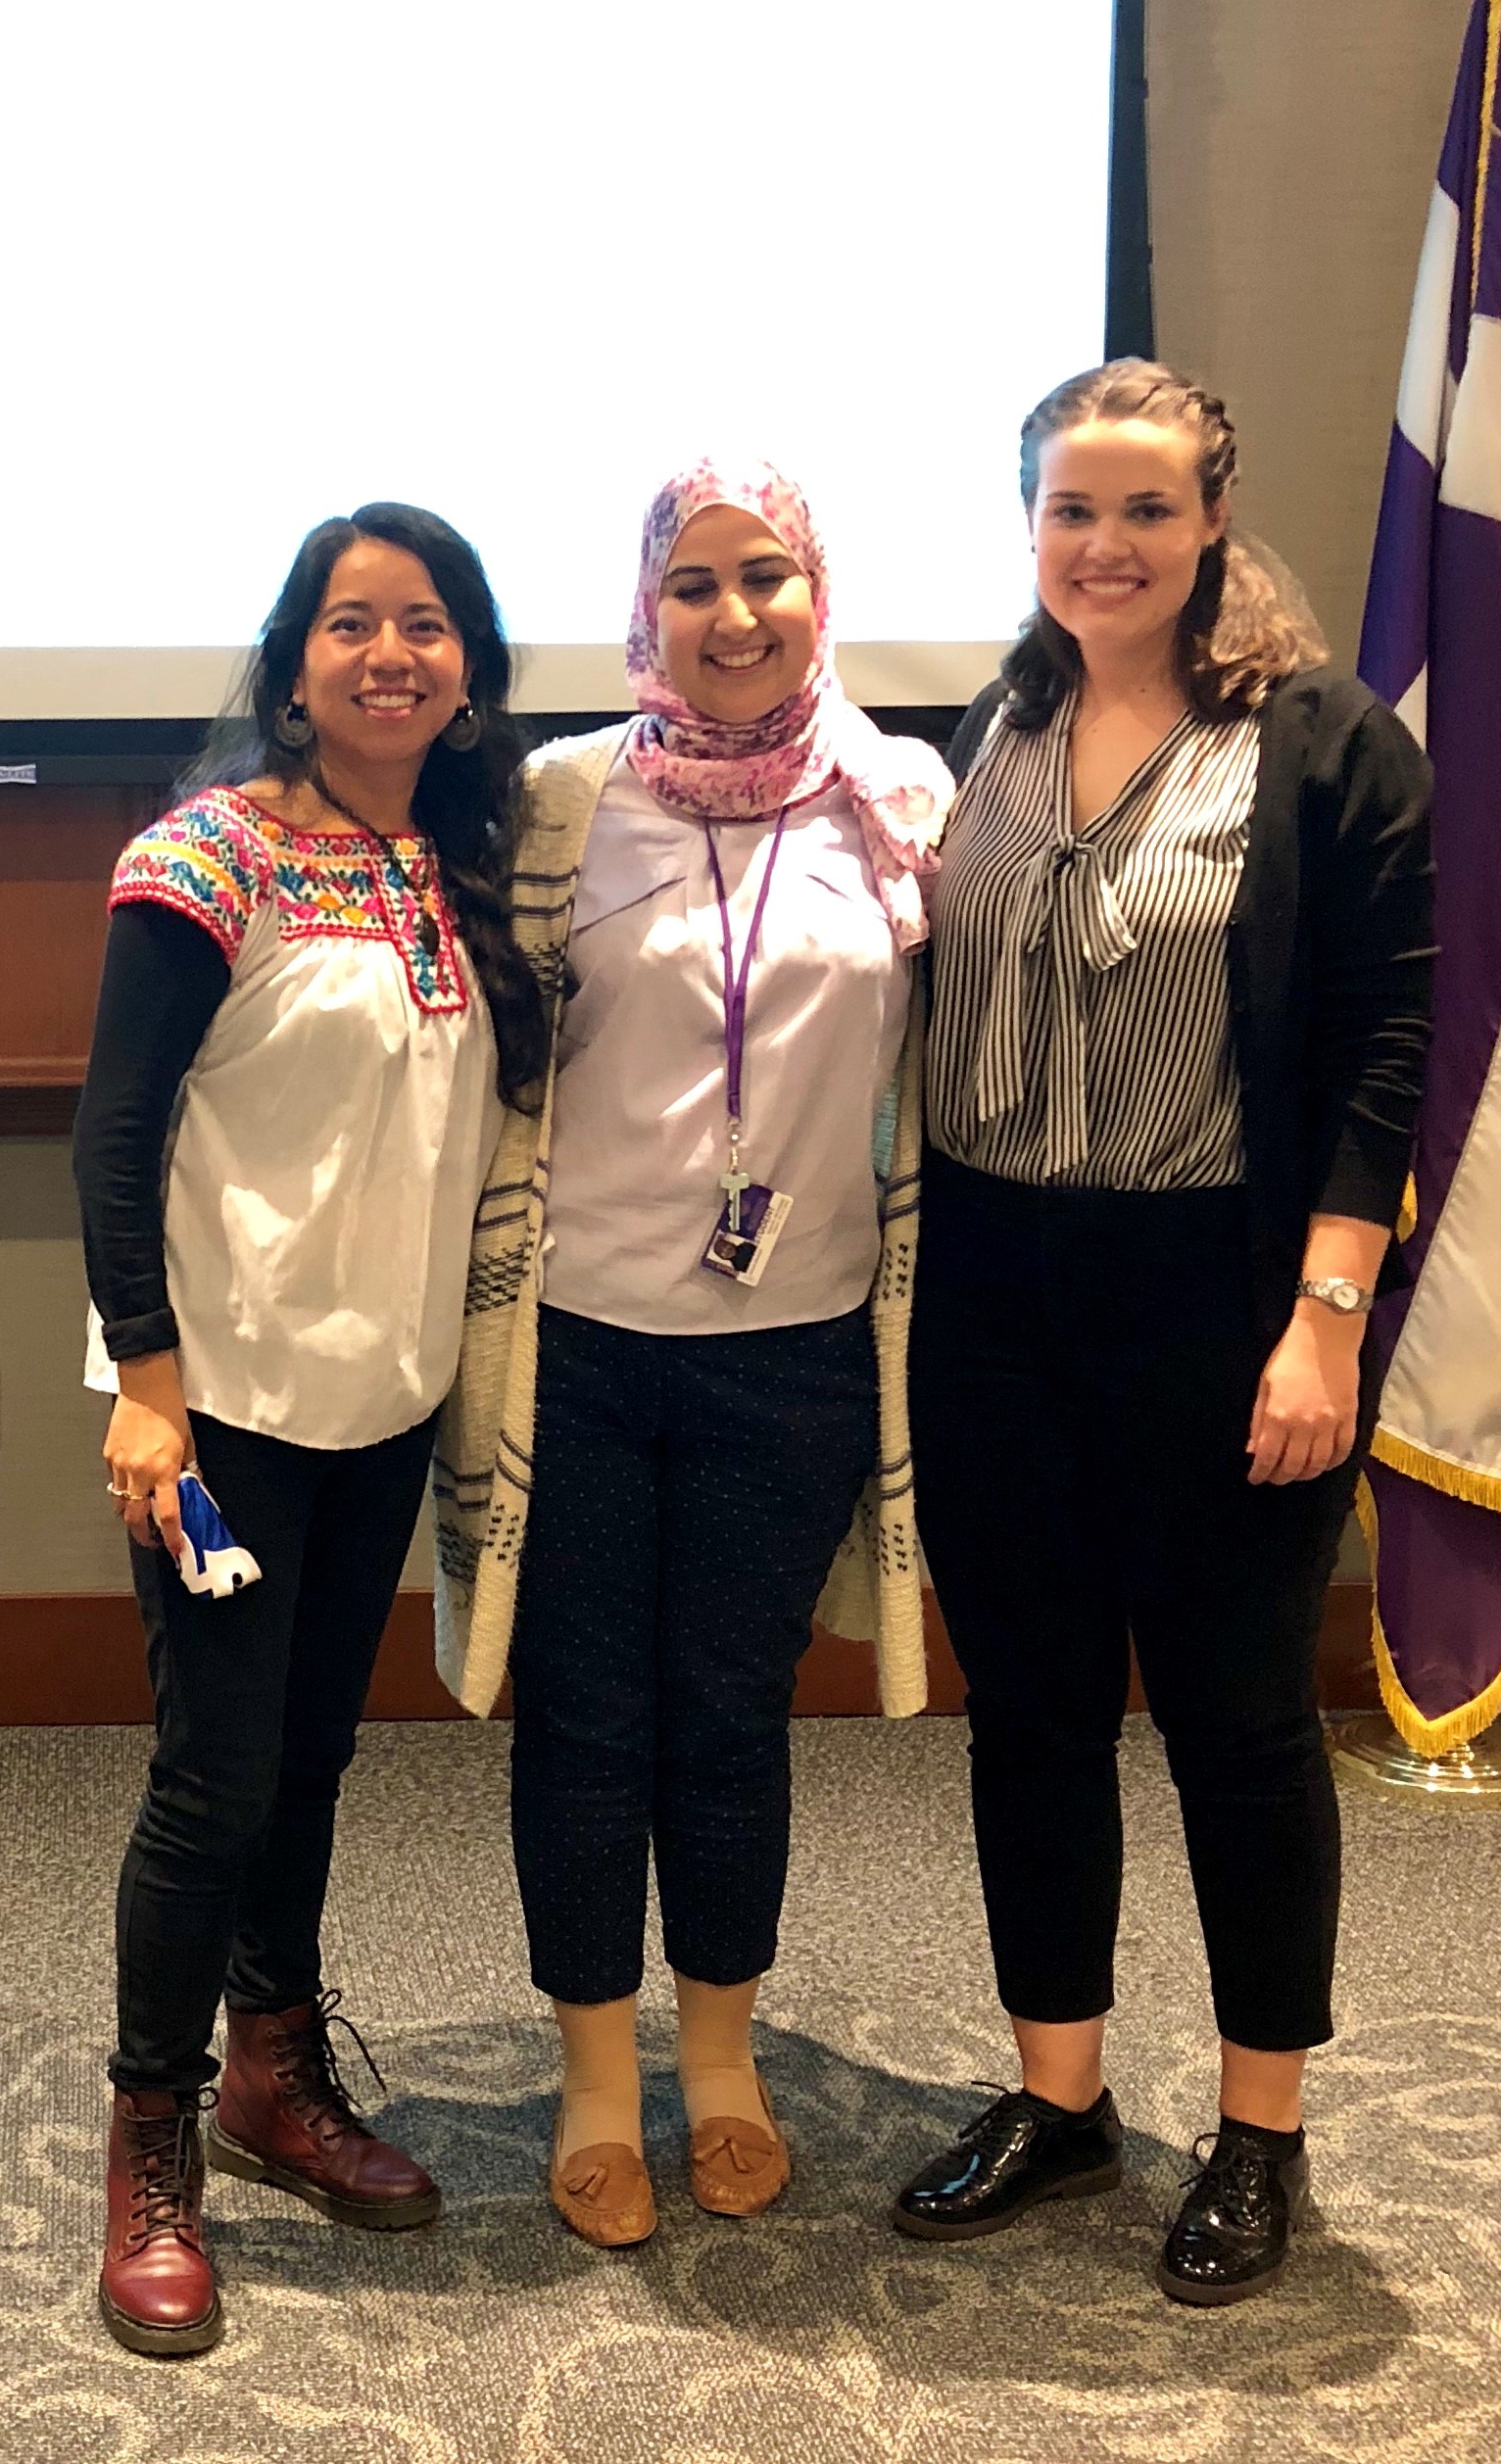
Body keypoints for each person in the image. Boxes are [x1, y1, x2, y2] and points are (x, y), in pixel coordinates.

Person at [894, 362, 1434, 2304]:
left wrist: (1324, 1324)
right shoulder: (995, 722)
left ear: (1210, 518)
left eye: (1140, 511)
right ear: (1028, 526)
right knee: (1030, 1714)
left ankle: (1260, 2131)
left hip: (1223, 1310)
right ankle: (1061, 2100)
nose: (1101, 548)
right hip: (993, 1306)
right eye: (1068, 513)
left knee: (1235, 1727)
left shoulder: (1321, 743)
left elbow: (1387, 1054)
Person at [433, 460, 954, 2246]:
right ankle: (595, 2076)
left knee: (729, 1720)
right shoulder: (557, 801)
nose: (735, 618)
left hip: (793, 1350)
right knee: (585, 1722)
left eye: (770, 579)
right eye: (695, 586)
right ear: (643, 608)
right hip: (577, 1346)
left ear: (818, 591)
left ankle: (717, 2060)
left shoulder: (901, 799)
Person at [73, 503, 546, 2354]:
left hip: (382, 1401)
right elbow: (116, 1134)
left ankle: (277, 2067)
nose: (389, 656)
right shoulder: (208, 857)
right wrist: (148, 1384)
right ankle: (155, 2134)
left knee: (316, 1757)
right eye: (351, 625)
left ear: (469, 663)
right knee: (214, 1779)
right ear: (292, 659)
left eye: (425, 625)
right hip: (222, 1409)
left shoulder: (458, 860)